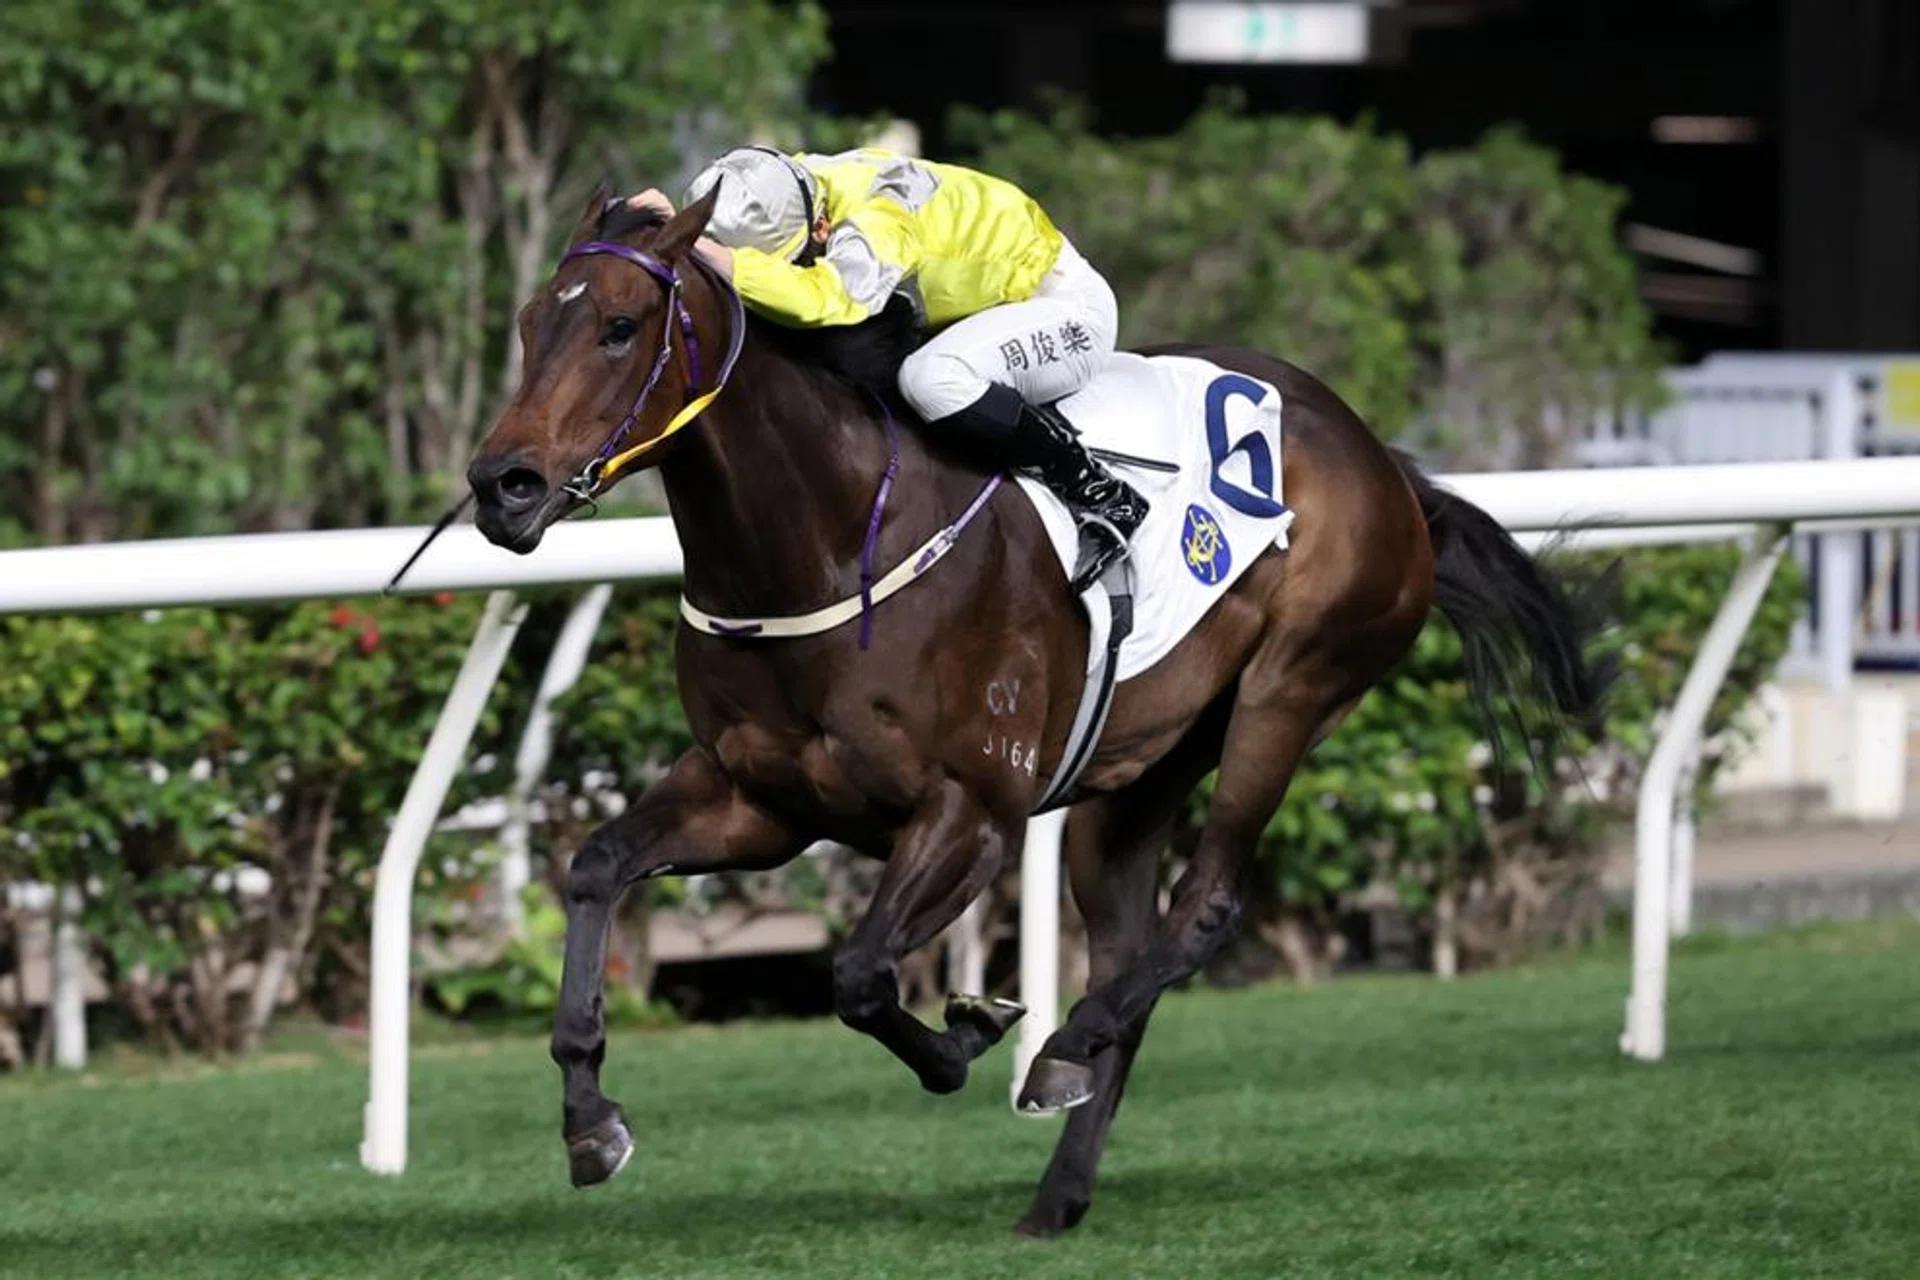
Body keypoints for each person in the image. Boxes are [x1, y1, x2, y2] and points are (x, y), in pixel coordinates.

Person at [628, 145, 1147, 593]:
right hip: (985, 306)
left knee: (931, 379)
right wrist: (683, 222)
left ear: (822, 226)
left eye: (794, 256)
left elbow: (826, 300)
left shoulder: (877, 221)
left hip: (1062, 307)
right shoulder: (783, 181)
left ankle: (1097, 489)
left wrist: (695, 244)